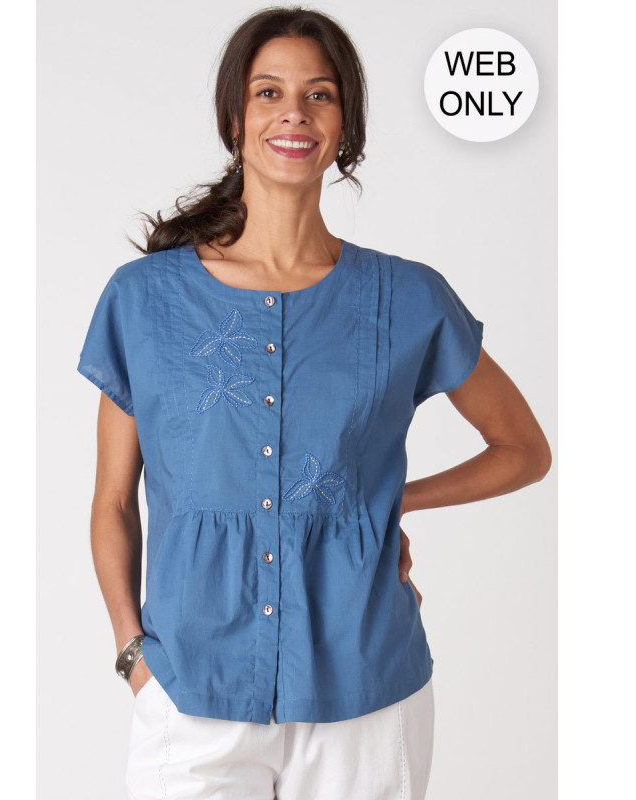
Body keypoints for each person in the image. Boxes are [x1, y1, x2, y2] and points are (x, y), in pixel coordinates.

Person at [75, 7, 552, 800]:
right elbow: (112, 502)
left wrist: (394, 500)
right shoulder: (144, 301)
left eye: (319, 95)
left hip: (365, 691)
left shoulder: (408, 297)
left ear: (344, 125)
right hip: (189, 691)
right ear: (235, 120)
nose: (293, 113)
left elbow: (523, 451)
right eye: (269, 92)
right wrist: (133, 656)